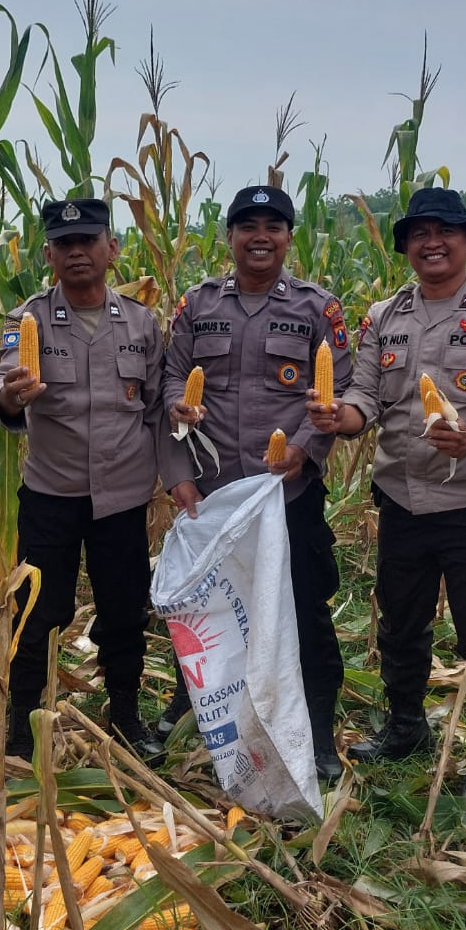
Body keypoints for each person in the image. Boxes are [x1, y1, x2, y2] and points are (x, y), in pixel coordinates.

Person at [306, 187, 466, 798]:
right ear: (406, 248)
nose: (432, 243)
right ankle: (407, 726)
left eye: (446, 231)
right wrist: (341, 417)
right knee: (400, 624)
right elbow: (365, 395)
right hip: (402, 500)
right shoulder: (383, 317)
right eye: (419, 233)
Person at [163, 184, 354, 783]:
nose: (260, 236)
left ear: (289, 237)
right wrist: (176, 469)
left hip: (285, 494)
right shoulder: (196, 306)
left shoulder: (316, 309)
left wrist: (303, 450)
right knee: (205, 606)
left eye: (274, 225)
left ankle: (317, 726)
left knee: (304, 608)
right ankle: (192, 706)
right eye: (247, 225)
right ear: (230, 237)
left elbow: (336, 392)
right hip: (214, 495)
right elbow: (169, 380)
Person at [0, 198, 180, 762]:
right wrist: (8, 396)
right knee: (37, 611)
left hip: (121, 498)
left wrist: (173, 478)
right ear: (48, 254)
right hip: (52, 493)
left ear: (111, 250)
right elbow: (1, 382)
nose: (77, 252)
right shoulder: (27, 319)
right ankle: (23, 726)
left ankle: (124, 714)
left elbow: (153, 408)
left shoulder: (142, 324)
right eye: (64, 244)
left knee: (123, 608)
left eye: (88, 241)